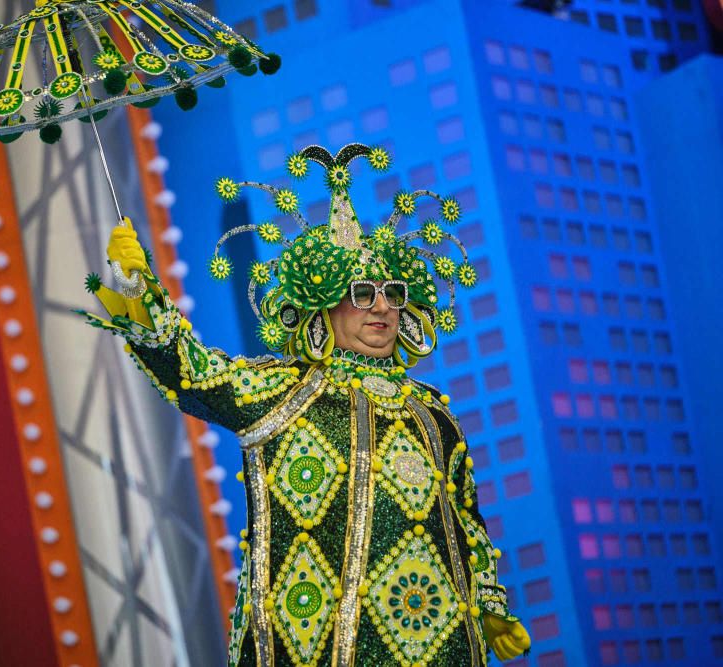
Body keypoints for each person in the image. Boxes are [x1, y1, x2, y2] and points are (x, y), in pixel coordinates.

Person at [81, 144, 531, 666]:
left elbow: (466, 520)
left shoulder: (433, 414)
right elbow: (195, 373)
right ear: (324, 304)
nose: (382, 306)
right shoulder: (285, 392)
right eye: (362, 293)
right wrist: (139, 290)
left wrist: (490, 601)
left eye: (392, 292)